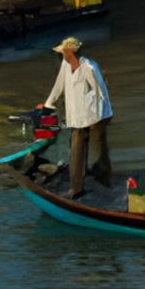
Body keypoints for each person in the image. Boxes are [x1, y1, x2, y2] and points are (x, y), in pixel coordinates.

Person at [41, 37, 112, 200]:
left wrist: (103, 115)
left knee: (87, 149)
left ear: (70, 52)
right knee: (79, 149)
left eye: (64, 52)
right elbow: (59, 85)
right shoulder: (66, 66)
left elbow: (101, 92)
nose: (63, 55)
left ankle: (78, 188)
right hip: (76, 116)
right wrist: (48, 104)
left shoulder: (89, 67)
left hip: (91, 114)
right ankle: (79, 185)